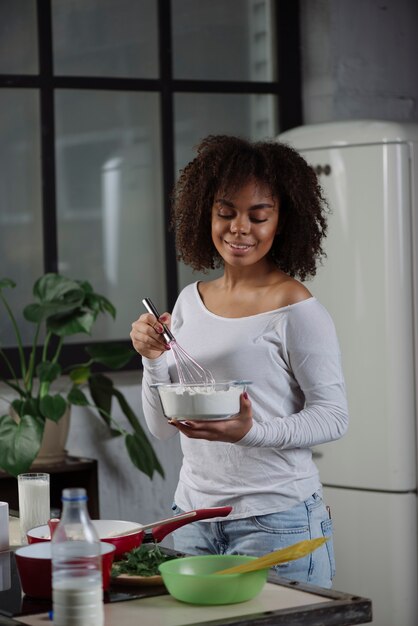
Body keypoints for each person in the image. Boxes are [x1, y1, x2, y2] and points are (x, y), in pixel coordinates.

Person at [130, 135, 349, 588]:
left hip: (276, 519)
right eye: (226, 213)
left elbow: (333, 417)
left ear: (282, 220)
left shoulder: (297, 308)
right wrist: (152, 359)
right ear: (205, 214)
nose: (239, 229)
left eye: (258, 215)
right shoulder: (190, 301)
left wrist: (252, 434)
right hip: (192, 517)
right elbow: (159, 427)